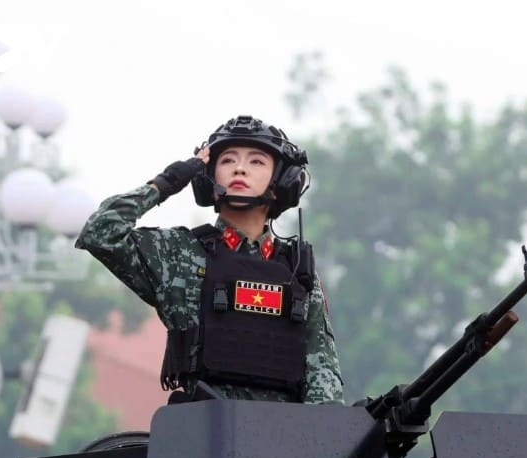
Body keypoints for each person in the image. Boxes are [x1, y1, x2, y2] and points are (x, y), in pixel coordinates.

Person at [75, 115, 343, 404]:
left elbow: (323, 376)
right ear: (208, 176)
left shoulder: (298, 272)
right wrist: (166, 183)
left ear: (282, 181)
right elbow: (100, 232)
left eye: (256, 162)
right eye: (227, 161)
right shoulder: (178, 254)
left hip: (280, 437)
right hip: (202, 434)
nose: (240, 168)